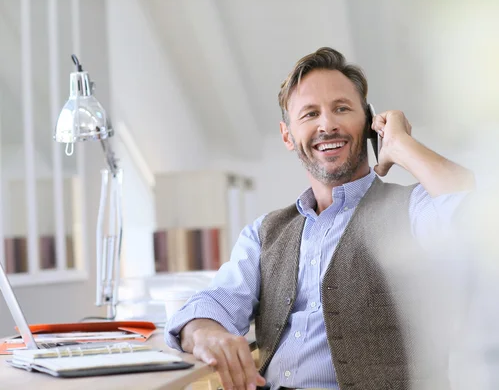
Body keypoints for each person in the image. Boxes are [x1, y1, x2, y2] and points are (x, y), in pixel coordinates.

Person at [165, 47, 475, 390]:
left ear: (370, 122)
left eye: (341, 109)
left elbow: (470, 208)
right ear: (287, 136)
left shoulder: (414, 209)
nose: (327, 125)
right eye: (310, 114)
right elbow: (213, 302)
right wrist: (204, 332)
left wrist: (401, 145)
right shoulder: (263, 233)